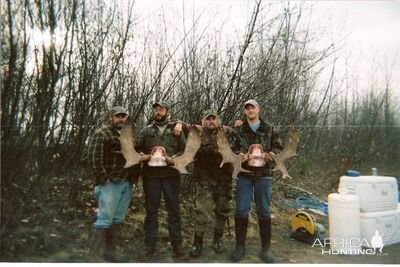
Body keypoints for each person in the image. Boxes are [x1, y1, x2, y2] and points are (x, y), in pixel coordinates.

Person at [180, 110, 240, 258]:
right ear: (203, 121)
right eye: (208, 119)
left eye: (213, 119)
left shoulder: (228, 132)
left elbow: (240, 147)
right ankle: (197, 243)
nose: (211, 121)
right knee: (201, 212)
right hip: (204, 180)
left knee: (222, 211)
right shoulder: (197, 132)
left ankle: (217, 240)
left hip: (224, 180)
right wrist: (178, 125)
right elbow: (181, 125)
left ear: (218, 120)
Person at [231, 99, 283, 263]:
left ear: (258, 110)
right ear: (245, 111)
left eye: (252, 107)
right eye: (247, 108)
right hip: (244, 174)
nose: (250, 110)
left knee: (264, 211)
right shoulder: (239, 129)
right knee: (241, 210)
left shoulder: (269, 128)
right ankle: (240, 247)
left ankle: (265, 248)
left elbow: (278, 147)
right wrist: (239, 155)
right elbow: (233, 148)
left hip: (264, 174)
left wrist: (271, 155)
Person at [135, 101, 186, 259]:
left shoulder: (176, 130)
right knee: (151, 212)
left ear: (167, 111)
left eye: (161, 109)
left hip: (171, 176)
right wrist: (143, 156)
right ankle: (149, 247)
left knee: (174, 212)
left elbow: (183, 150)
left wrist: (174, 159)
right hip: (151, 176)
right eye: (156, 109)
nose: (158, 112)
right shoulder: (146, 130)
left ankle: (177, 247)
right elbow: (137, 148)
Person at [87, 106, 137, 262]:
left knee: (117, 219)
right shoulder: (101, 133)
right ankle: (92, 258)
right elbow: (94, 158)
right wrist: (104, 178)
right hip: (110, 184)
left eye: (123, 116)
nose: (121, 119)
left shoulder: (127, 136)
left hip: (126, 182)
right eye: (118, 116)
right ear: (111, 118)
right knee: (104, 219)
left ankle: (110, 254)